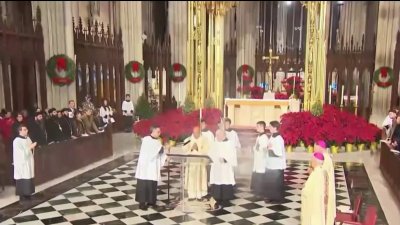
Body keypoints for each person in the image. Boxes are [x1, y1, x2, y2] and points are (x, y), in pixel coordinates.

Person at [135, 125, 169, 210]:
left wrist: (165, 149)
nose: (159, 133)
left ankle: (151, 201)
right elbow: (154, 151)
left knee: (152, 183)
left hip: (153, 166)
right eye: (158, 131)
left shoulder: (158, 141)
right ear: (153, 131)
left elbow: (160, 151)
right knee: (143, 184)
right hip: (145, 166)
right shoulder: (146, 139)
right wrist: (164, 148)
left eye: (160, 132)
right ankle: (142, 203)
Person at [208, 129, 237, 210]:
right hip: (216, 167)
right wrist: (211, 157)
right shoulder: (215, 143)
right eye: (216, 135)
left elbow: (232, 154)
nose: (216, 137)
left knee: (225, 180)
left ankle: (226, 199)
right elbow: (210, 152)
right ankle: (217, 198)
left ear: (223, 135)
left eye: (218, 135)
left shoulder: (230, 143)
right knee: (217, 181)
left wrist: (225, 159)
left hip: (225, 167)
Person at [301, 152, 328, 225]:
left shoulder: (315, 174)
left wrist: (303, 189)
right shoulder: (320, 171)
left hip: (313, 204)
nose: (311, 161)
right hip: (318, 202)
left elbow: (307, 191)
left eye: (312, 160)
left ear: (315, 161)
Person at [13, 124, 37, 203]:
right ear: (20, 131)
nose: (26, 131)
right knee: (23, 177)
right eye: (24, 129)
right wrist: (30, 147)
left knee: (29, 176)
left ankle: (28, 194)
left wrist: (32, 147)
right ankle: (22, 195)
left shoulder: (28, 138)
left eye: (26, 129)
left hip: (28, 161)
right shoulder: (17, 141)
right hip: (22, 163)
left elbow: (30, 148)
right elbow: (20, 153)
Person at [183, 126, 209, 200]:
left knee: (200, 179)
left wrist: (197, 149)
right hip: (191, 164)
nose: (196, 134)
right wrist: (191, 148)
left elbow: (207, 150)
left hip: (200, 163)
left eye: (197, 133)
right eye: (194, 133)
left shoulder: (205, 140)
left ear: (200, 132)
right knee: (191, 180)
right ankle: (191, 195)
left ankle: (199, 195)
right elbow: (184, 149)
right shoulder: (188, 140)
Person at [264, 120, 286, 203]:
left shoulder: (279, 139)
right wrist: (268, 147)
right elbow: (269, 146)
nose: (269, 128)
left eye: (270, 126)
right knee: (271, 181)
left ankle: (278, 198)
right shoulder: (272, 136)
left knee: (277, 182)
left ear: (275, 128)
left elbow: (279, 153)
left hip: (277, 164)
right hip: (271, 163)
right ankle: (271, 196)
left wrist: (270, 149)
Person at [314, 140, 336, 225]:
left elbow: (323, 175)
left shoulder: (325, 158)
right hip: (324, 187)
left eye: (315, 146)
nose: (314, 149)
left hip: (326, 189)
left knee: (325, 211)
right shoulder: (325, 156)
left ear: (320, 147)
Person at [250, 121, 269, 197]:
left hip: (262, 160)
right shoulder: (259, 136)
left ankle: (260, 191)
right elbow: (257, 146)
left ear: (262, 127)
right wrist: (254, 148)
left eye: (257, 126)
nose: (256, 128)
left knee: (260, 173)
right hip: (257, 159)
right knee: (257, 172)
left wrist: (257, 148)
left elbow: (264, 149)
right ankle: (256, 189)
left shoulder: (264, 137)